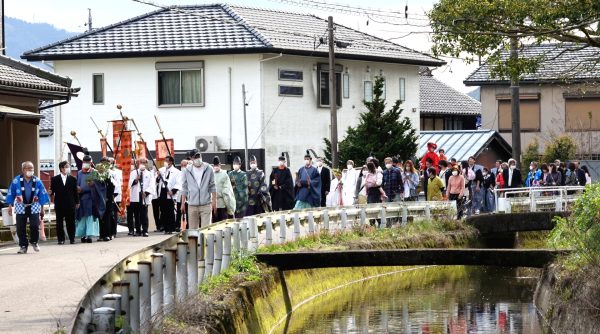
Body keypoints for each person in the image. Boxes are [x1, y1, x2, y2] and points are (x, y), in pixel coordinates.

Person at [6, 161, 50, 253]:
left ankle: (34, 241)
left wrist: (42, 209)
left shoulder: (37, 181)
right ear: (23, 170)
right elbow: (11, 193)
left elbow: (42, 194)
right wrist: (10, 206)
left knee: (34, 225)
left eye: (32, 168)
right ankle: (23, 246)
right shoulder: (16, 180)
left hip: (34, 206)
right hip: (20, 206)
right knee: (20, 227)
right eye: (28, 168)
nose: (31, 170)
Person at [180, 150, 217, 229]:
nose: (198, 158)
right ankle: (195, 242)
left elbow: (212, 186)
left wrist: (214, 201)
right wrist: (182, 203)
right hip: (192, 204)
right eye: (195, 157)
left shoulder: (209, 168)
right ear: (191, 158)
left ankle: (205, 241)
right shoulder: (187, 170)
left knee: (206, 230)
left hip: (206, 203)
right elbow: (184, 187)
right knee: (193, 231)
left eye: (199, 156)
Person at [76, 155, 108, 242]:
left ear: (91, 163)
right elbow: (77, 183)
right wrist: (77, 188)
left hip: (91, 198)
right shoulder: (79, 173)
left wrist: (94, 185)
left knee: (90, 216)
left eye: (88, 162)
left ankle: (89, 236)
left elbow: (102, 185)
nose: (86, 163)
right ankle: (82, 235)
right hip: (82, 197)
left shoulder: (95, 172)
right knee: (82, 217)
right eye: (84, 162)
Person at [50, 161, 79, 244]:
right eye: (66, 166)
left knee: (71, 222)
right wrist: (50, 192)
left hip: (70, 203)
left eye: (68, 166)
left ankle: (72, 238)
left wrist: (77, 202)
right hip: (59, 203)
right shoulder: (55, 179)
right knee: (59, 222)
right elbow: (52, 191)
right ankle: (61, 239)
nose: (68, 168)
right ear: (61, 168)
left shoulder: (73, 179)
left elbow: (75, 192)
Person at [128, 157, 155, 237]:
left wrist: (146, 193)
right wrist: (135, 180)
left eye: (144, 162)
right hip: (135, 195)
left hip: (144, 195)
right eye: (141, 162)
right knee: (136, 214)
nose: (142, 164)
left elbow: (152, 185)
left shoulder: (149, 174)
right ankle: (138, 230)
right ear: (138, 163)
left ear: (146, 164)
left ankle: (145, 230)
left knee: (144, 214)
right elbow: (129, 184)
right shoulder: (133, 173)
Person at [158, 156, 180, 234]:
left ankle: (171, 228)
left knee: (170, 211)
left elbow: (178, 183)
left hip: (170, 192)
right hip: (163, 192)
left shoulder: (177, 171)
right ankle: (165, 228)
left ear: (170, 162)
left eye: (167, 161)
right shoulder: (162, 170)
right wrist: (158, 176)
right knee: (163, 211)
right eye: (165, 160)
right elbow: (158, 180)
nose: (165, 162)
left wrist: (173, 191)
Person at [99, 157, 117, 242]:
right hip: (99, 197)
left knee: (107, 215)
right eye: (102, 163)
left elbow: (114, 185)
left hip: (108, 197)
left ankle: (108, 234)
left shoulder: (112, 173)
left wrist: (110, 196)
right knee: (101, 216)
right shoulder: (97, 173)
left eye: (106, 163)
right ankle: (101, 234)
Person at [212, 156, 235, 222]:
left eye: (217, 165)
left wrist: (229, 206)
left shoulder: (224, 175)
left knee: (223, 223)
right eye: (215, 165)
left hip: (222, 203)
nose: (216, 166)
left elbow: (227, 191)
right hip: (213, 204)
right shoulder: (211, 174)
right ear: (213, 166)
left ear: (220, 165)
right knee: (214, 224)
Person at [176, 159, 188, 230]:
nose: (183, 167)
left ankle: (188, 226)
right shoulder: (179, 174)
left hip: (188, 195)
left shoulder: (189, 173)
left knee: (188, 211)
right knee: (178, 211)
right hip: (180, 194)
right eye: (182, 165)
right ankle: (177, 225)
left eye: (185, 165)